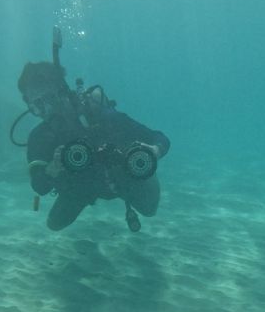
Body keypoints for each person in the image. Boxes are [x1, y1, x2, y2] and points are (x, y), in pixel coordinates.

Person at [17, 61, 170, 231]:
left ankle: (143, 175)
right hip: (79, 188)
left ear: (62, 91)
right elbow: (39, 187)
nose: (47, 110)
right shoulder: (39, 138)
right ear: (29, 106)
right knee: (54, 224)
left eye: (50, 99)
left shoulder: (97, 113)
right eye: (38, 105)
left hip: (119, 179)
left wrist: (154, 152)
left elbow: (158, 137)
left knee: (150, 210)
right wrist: (52, 169)